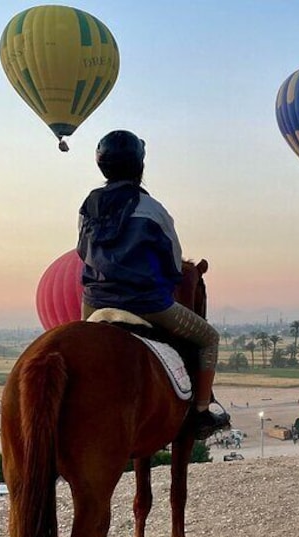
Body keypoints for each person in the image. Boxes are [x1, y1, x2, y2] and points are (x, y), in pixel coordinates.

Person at [77, 130, 230, 439]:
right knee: (208, 338)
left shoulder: (87, 206)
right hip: (145, 303)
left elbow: (83, 251)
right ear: (139, 166)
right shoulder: (152, 209)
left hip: (95, 301)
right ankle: (201, 412)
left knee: (81, 350)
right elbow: (174, 265)